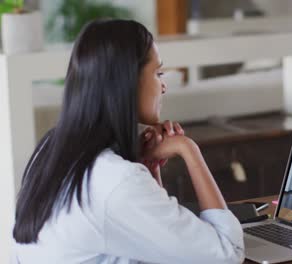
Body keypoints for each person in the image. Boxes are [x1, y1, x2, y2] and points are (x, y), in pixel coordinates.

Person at [12, 19, 244, 264]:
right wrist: (189, 150)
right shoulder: (116, 180)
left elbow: (158, 245)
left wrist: (150, 169)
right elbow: (227, 253)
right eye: (158, 73)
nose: (163, 86)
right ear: (127, 82)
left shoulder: (51, 149)